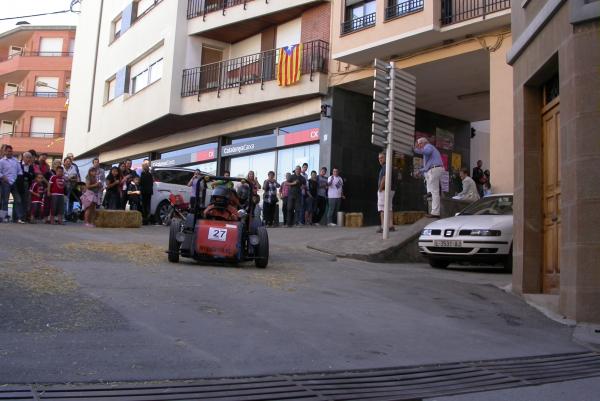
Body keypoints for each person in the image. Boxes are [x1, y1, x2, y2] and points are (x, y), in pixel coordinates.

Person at [414, 137, 444, 218]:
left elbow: (427, 152)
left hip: (435, 169)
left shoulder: (428, 146)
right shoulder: (429, 150)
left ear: (424, 142)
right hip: (434, 169)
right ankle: (429, 194)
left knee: (434, 192)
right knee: (432, 190)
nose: (419, 145)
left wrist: (415, 150)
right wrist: (420, 171)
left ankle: (435, 212)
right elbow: (427, 167)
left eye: (420, 143)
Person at [0, 145, 24, 223]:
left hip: (14, 183)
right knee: (5, 201)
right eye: (8, 151)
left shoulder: (15, 160)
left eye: (11, 151)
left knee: (18, 200)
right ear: (5, 151)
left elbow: (19, 171)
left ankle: (18, 218)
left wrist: (18, 178)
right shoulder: (2, 161)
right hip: (5, 183)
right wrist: (3, 177)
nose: (10, 152)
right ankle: (3, 217)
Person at [376, 152, 397, 233]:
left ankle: (383, 226)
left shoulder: (385, 166)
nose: (380, 159)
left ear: (386, 158)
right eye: (379, 158)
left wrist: (380, 189)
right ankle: (391, 226)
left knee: (382, 208)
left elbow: (384, 177)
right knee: (389, 208)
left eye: (381, 157)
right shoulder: (390, 166)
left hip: (385, 190)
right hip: (391, 190)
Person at [18, 152, 35, 223]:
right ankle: (17, 217)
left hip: (27, 184)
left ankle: (23, 217)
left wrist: (26, 174)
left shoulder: (31, 166)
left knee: (25, 201)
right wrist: (27, 174)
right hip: (19, 184)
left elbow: (32, 176)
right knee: (18, 200)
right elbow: (20, 174)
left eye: (30, 157)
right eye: (27, 157)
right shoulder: (18, 164)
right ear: (23, 157)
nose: (28, 159)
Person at [140, 161, 154, 225]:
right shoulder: (150, 174)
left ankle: (145, 220)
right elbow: (151, 183)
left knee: (144, 206)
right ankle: (146, 220)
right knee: (147, 206)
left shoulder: (142, 174)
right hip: (148, 192)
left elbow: (141, 183)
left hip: (144, 192)